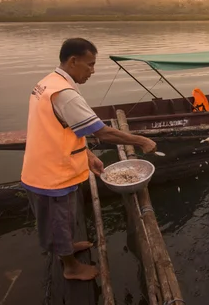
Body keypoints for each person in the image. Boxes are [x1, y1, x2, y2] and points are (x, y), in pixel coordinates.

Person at [20, 38, 157, 281]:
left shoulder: (48, 83)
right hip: (51, 173)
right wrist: (141, 141)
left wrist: (89, 154)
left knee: (63, 217)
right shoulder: (64, 94)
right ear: (73, 61)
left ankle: (68, 248)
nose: (93, 71)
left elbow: (63, 128)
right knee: (58, 220)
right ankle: (71, 267)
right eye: (90, 65)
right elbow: (102, 131)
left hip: (46, 162)